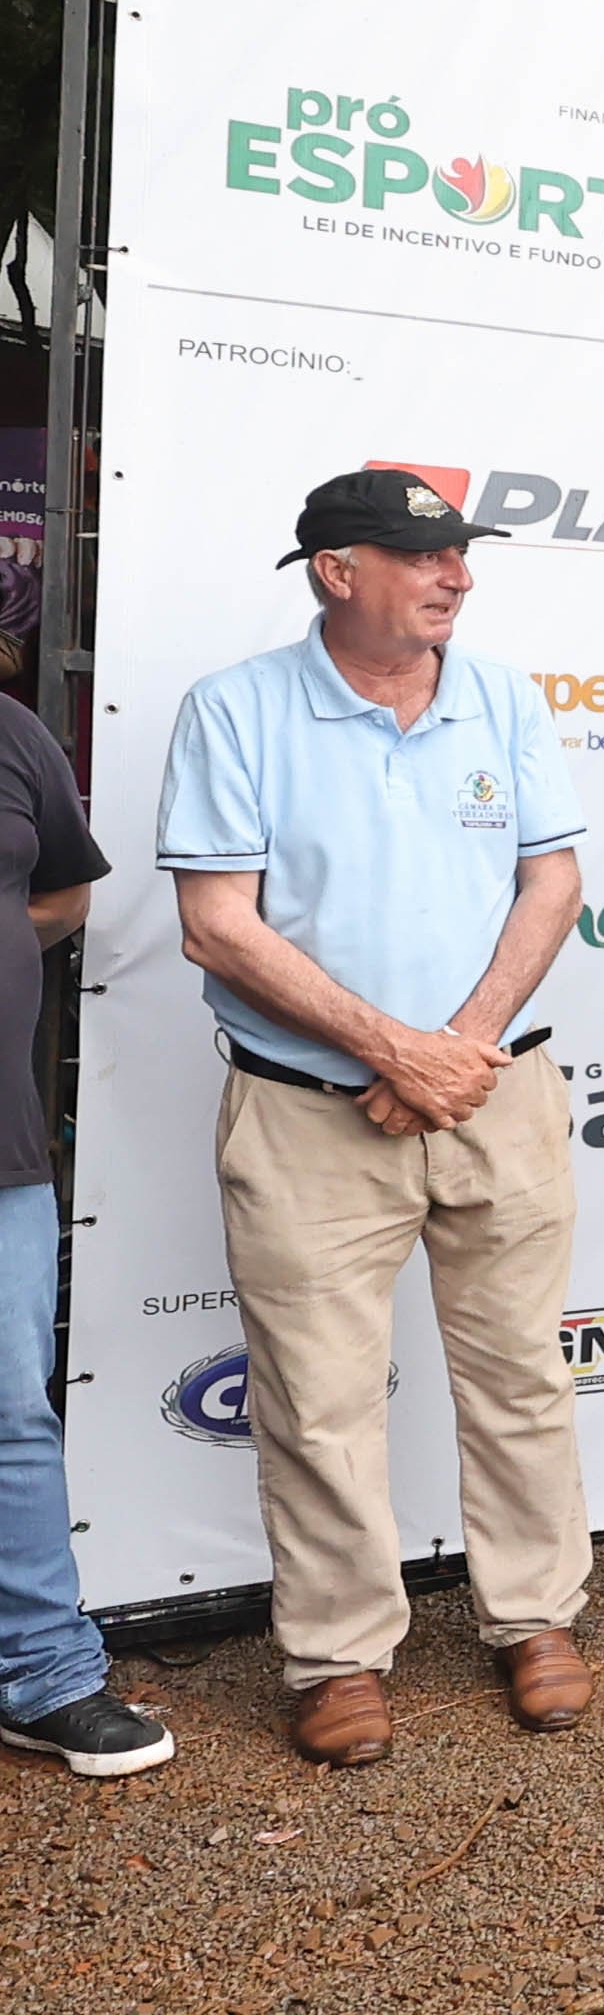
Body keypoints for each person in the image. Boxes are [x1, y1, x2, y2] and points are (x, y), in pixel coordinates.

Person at [157, 469, 593, 1765]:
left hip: (496, 1093)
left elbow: (553, 880)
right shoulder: (235, 709)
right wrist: (392, 1049)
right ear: (337, 573)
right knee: (316, 1400)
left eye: (460, 553)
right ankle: (338, 1655)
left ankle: (535, 1617)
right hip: (307, 1116)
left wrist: (456, 1052)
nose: (457, 575)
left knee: (521, 1372)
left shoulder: (503, 697)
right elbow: (215, 923)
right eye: (422, 556)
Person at [0, 695, 169, 1778]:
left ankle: (43, 1678)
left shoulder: (13, 733)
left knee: (11, 1421)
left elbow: (63, 890)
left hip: (1, 1152)